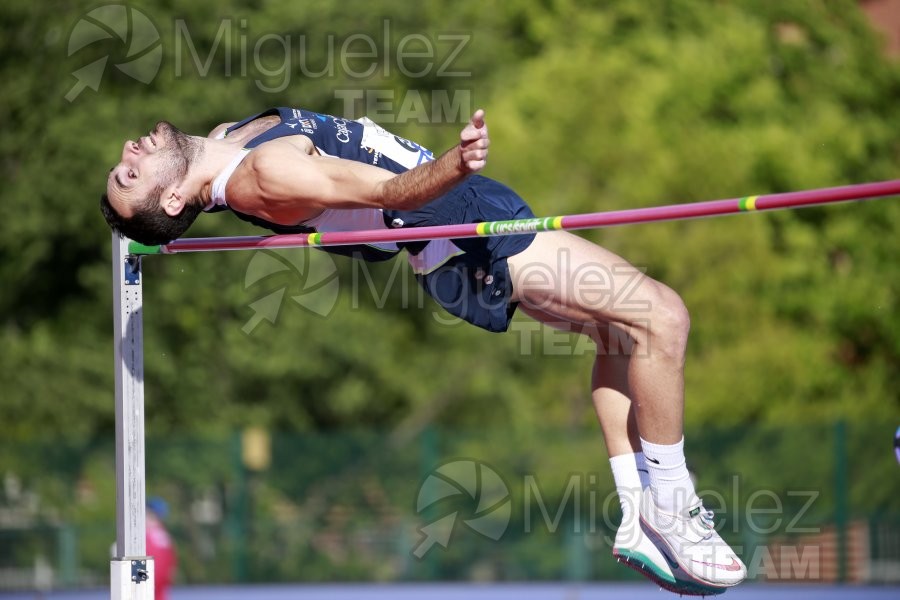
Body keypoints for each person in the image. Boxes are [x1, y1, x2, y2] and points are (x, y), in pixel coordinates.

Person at [100, 106, 746, 593]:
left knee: (616, 332)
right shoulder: (262, 173)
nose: (131, 150)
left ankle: (638, 510)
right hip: (463, 231)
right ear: (174, 197)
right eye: (132, 174)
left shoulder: (230, 143)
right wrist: (454, 165)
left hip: (457, 227)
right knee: (663, 318)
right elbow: (384, 193)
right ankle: (671, 503)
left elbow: (344, 221)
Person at [146, 497, 177, 600]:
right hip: (160, 582)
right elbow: (172, 562)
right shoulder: (163, 534)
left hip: (149, 580)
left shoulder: (146, 535)